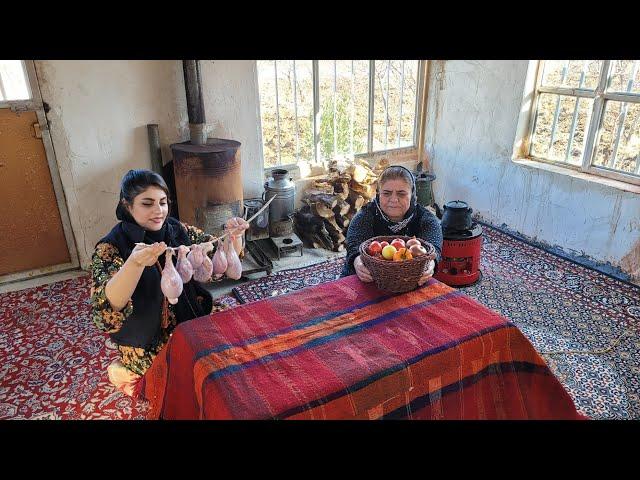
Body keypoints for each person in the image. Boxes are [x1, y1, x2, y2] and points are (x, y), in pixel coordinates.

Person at [90, 169, 249, 396]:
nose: (158, 211)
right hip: (149, 337)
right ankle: (129, 376)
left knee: (236, 352)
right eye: (147, 204)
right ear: (127, 206)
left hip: (191, 314)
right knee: (185, 382)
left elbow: (217, 257)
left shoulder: (176, 229)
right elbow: (105, 313)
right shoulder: (111, 248)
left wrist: (233, 236)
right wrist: (134, 264)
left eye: (163, 203)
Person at [341, 165, 443, 285]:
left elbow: (434, 249)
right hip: (370, 280)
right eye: (387, 193)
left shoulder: (427, 220)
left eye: (401, 194)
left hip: (411, 281)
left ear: (412, 195)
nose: (394, 199)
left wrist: (431, 264)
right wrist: (357, 262)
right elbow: (354, 246)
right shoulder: (364, 216)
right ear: (378, 194)